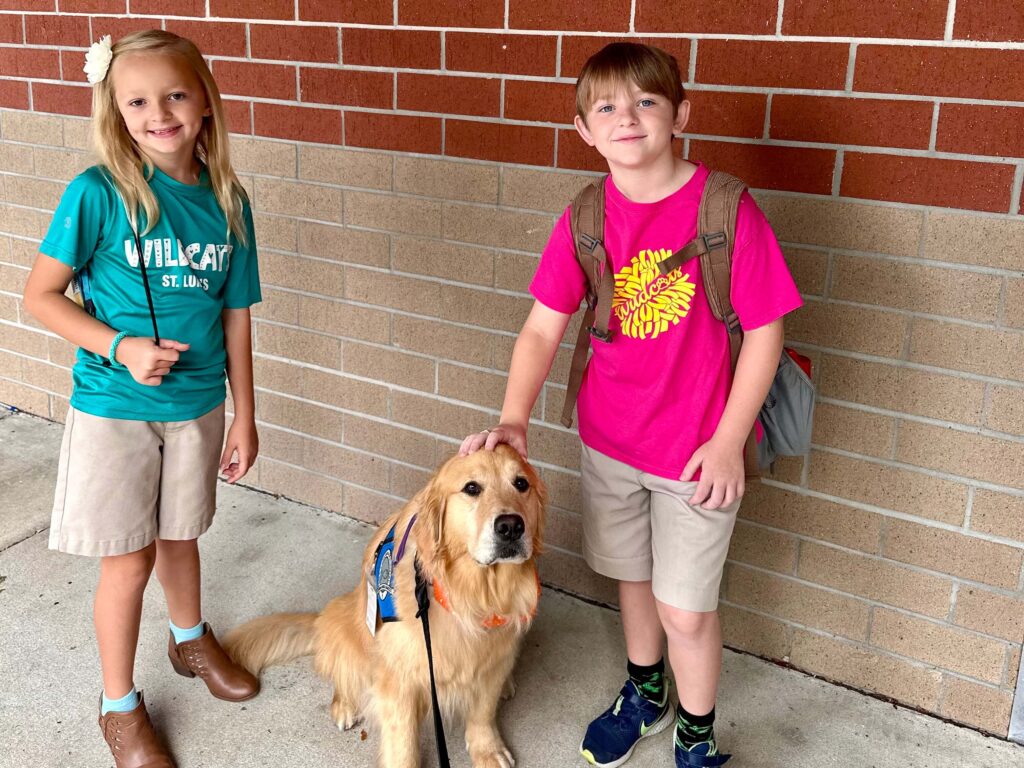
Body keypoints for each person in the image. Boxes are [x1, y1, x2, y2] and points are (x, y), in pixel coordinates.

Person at [460, 43, 802, 768]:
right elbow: (542, 326)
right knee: (634, 582)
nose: (628, 118)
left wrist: (728, 439)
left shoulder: (725, 209)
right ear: (584, 130)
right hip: (610, 442)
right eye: (607, 106)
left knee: (686, 608)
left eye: (646, 101)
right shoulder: (587, 216)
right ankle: (646, 694)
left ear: (680, 113)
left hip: (697, 455)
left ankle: (697, 733)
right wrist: (514, 418)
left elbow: (767, 332)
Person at [22, 30, 262, 767]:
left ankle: (188, 640)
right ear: (115, 111)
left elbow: (237, 316)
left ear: (206, 103)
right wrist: (118, 345)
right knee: (126, 561)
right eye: (137, 101)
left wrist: (246, 414)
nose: (159, 113)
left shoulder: (229, 200)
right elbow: (41, 296)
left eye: (176, 95)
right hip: (115, 412)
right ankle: (118, 703)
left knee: (181, 537)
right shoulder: (97, 194)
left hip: (197, 407)